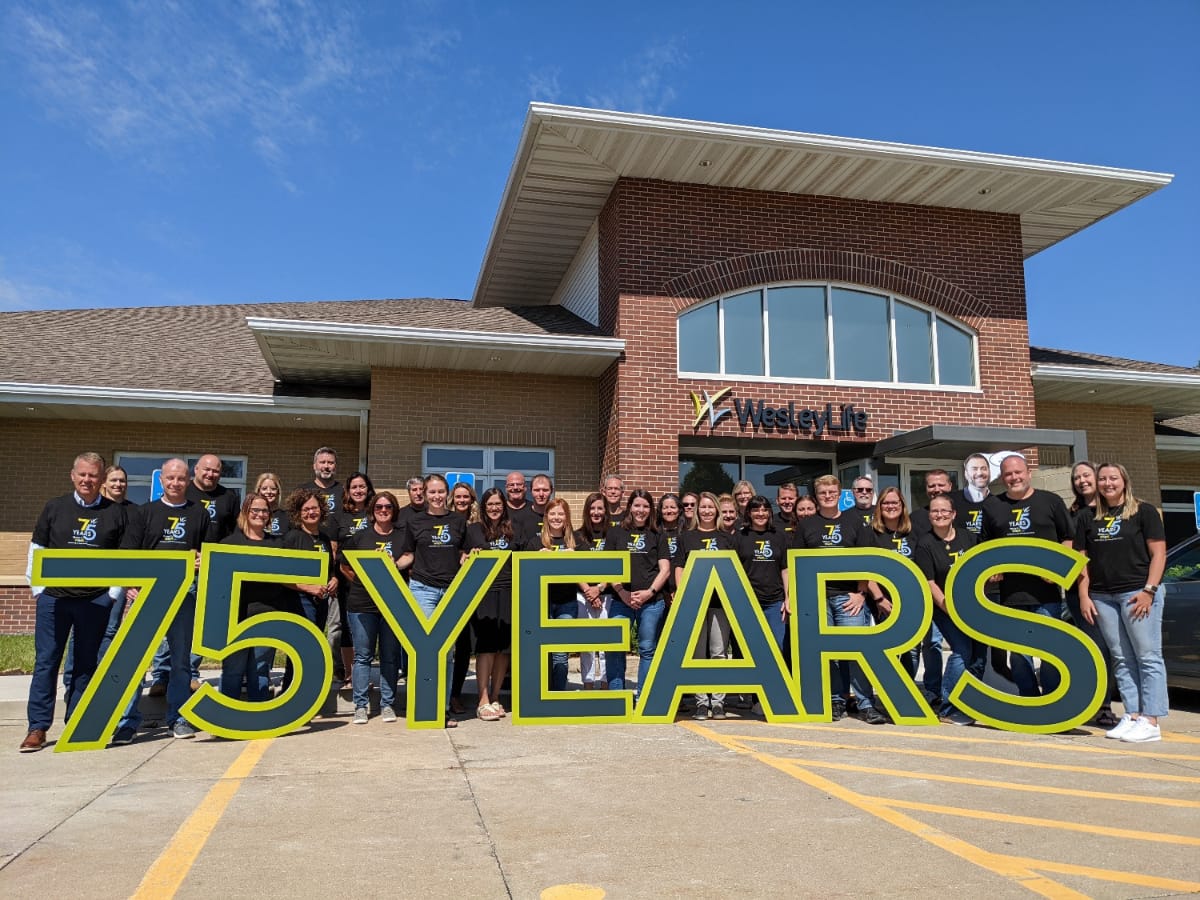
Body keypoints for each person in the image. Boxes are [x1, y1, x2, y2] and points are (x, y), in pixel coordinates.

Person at [21, 452, 128, 752]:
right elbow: (37, 548)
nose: (87, 480)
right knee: (46, 663)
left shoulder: (115, 513)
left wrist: (112, 595)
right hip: (54, 600)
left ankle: (77, 722)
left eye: (93, 475)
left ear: (101, 479)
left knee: (85, 664)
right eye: (82, 474)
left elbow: (123, 557)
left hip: (94, 600)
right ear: (72, 476)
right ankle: (37, 727)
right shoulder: (55, 508)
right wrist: (38, 590)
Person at [113, 458, 212, 742]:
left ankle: (179, 718)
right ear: (162, 480)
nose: (176, 483)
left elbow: (208, 554)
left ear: (188, 479)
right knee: (136, 658)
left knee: (181, 661)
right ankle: (127, 721)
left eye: (181, 478)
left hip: (185, 594)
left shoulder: (199, 514)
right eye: (170, 478)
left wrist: (202, 561)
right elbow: (128, 554)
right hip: (149, 594)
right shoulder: (144, 513)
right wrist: (130, 585)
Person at [1076, 463, 1168, 743]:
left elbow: (1159, 554)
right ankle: (1132, 714)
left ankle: (1151, 720)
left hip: (1137, 593)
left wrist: (1149, 591)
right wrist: (1083, 595)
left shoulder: (1144, 512)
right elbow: (1081, 562)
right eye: (1102, 479)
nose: (1107, 483)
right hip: (1103, 597)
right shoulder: (1086, 516)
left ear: (1124, 481)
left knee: (1148, 656)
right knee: (1121, 658)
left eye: (1113, 478)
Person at [982, 453, 1074, 697]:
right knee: (1019, 654)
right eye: (1008, 474)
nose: (1014, 477)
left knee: (1050, 650)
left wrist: (1059, 570)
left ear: (1028, 473)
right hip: (1012, 595)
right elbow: (984, 547)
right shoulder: (992, 506)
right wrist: (992, 570)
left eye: (1018, 472)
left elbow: (1068, 538)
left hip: (1047, 594)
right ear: (1002, 478)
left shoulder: (1051, 501)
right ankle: (1029, 700)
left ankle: (1053, 699)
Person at [796, 474, 885, 723]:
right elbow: (795, 565)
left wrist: (861, 593)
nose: (827, 496)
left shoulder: (855, 522)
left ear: (839, 494)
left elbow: (866, 562)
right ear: (816, 496)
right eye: (823, 493)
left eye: (832, 493)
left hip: (849, 598)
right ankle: (836, 700)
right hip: (817, 598)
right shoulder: (806, 526)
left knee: (856, 651)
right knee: (830, 654)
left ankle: (866, 703)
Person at [397, 474, 468, 727]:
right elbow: (408, 555)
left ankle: (443, 707)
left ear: (446, 493)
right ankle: (422, 703)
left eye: (440, 492)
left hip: (451, 590)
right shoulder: (415, 521)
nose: (436, 497)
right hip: (423, 589)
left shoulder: (459, 521)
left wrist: (467, 557)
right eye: (432, 492)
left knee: (447, 652)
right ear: (424, 494)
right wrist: (389, 566)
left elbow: (463, 553)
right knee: (424, 650)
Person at [915, 494, 982, 725]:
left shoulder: (968, 537)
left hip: (972, 607)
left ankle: (969, 703)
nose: (939, 514)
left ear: (953, 514)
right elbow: (929, 582)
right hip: (944, 608)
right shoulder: (925, 543)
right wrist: (947, 607)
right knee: (962, 651)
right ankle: (947, 707)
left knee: (978, 655)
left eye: (944, 510)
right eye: (934, 511)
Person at [340, 491, 404, 724]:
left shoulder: (401, 536)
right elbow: (344, 564)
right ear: (372, 511)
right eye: (379, 507)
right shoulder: (360, 537)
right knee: (363, 656)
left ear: (394, 509)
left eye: (388, 507)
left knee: (389, 656)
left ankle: (387, 704)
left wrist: (395, 564)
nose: (384, 510)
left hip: (391, 604)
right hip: (361, 604)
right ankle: (360, 706)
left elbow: (410, 555)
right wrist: (360, 579)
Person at [1063, 461, 1119, 728]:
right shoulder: (1073, 512)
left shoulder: (1115, 509)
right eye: (1077, 477)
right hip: (1078, 592)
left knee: (1108, 648)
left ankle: (1105, 705)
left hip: (1110, 588)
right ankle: (1097, 705)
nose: (1082, 481)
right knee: (1094, 646)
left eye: (1086, 475)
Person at [218, 493, 287, 704]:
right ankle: (227, 715)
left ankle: (259, 715)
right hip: (235, 616)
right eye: (255, 510)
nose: (260, 514)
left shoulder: (278, 544)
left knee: (261, 668)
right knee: (233, 668)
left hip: (266, 614)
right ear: (245, 512)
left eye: (264, 510)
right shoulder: (229, 543)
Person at [604, 489, 671, 699]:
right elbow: (609, 567)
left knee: (647, 649)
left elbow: (665, 569)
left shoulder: (658, 533)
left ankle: (645, 698)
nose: (640, 510)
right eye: (637, 505)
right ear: (630, 507)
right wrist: (622, 592)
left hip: (651, 602)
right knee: (615, 647)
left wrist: (649, 592)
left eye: (645, 506)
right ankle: (616, 696)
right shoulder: (616, 533)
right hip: (620, 600)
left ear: (650, 509)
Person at [677, 492, 736, 719]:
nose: (707, 511)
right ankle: (702, 702)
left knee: (719, 653)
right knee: (697, 654)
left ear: (717, 510)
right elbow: (679, 566)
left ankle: (719, 702)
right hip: (695, 602)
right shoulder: (687, 537)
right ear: (697, 510)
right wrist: (685, 595)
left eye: (711, 507)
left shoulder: (727, 538)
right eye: (703, 507)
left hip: (720, 603)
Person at [465, 488, 519, 719]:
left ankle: (496, 697)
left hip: (509, 591)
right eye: (490, 504)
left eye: (498, 504)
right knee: (486, 647)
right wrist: (469, 555)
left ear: (503, 506)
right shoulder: (474, 530)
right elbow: (464, 556)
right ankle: (482, 698)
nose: (494, 508)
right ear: (484, 507)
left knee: (504, 649)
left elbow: (525, 553)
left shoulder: (514, 530)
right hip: (485, 592)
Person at [737, 496, 791, 716]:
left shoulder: (779, 535)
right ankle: (757, 699)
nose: (760, 514)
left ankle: (778, 696)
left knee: (778, 649)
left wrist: (788, 597)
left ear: (769, 512)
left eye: (764, 510)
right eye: (755, 510)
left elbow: (785, 569)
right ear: (749, 513)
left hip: (774, 601)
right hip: (749, 602)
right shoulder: (740, 536)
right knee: (755, 652)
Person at [281, 489, 339, 692]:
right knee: (299, 649)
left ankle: (307, 694)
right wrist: (310, 588)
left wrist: (333, 580)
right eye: (305, 509)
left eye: (314, 508)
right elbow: (283, 576)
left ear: (321, 510)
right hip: (300, 601)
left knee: (313, 648)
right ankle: (290, 693)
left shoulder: (324, 538)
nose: (310, 513)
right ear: (299, 513)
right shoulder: (292, 538)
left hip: (321, 601)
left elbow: (330, 570)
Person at [524, 498, 578, 692]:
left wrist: (576, 557)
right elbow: (522, 571)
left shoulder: (575, 541)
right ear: (546, 517)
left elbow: (590, 569)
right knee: (539, 651)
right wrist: (537, 558)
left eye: (561, 514)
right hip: (541, 602)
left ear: (567, 517)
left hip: (567, 602)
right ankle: (540, 692)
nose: (557, 518)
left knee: (560, 653)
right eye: (553, 514)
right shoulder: (535, 541)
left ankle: (557, 694)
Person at [328, 472, 374, 685]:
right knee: (346, 626)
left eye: (362, 486)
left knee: (368, 625)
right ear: (348, 491)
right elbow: (334, 549)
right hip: (347, 579)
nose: (358, 491)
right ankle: (349, 672)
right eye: (354, 487)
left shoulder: (375, 513)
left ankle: (363, 670)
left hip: (374, 579)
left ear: (368, 489)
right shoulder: (339, 516)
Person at [575, 492, 613, 689]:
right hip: (583, 596)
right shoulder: (577, 535)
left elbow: (618, 564)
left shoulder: (614, 534)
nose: (596, 512)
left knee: (606, 643)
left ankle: (606, 684)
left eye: (600, 508)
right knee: (587, 644)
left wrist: (600, 587)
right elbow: (573, 567)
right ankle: (588, 684)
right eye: (592, 508)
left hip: (608, 595)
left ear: (605, 511)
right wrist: (588, 590)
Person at [449, 481, 480, 713]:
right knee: (449, 645)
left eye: (465, 497)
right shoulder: (446, 522)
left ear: (471, 499)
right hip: (450, 587)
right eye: (458, 497)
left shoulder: (478, 525)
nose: (461, 501)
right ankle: (448, 695)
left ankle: (456, 694)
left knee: (464, 647)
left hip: (474, 591)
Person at [188, 454, 239, 540]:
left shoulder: (229, 497)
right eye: (206, 469)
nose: (210, 474)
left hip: (217, 552)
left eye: (215, 471)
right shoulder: (182, 492)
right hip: (187, 552)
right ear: (196, 469)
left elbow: (237, 530)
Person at [297, 446, 342, 524]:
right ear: (314, 466)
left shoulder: (344, 491)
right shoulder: (302, 491)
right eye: (322, 462)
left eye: (330, 463)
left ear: (336, 466)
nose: (326, 466)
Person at [657, 493, 683, 602]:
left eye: (673, 507)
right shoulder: (655, 532)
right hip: (658, 592)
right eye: (665, 507)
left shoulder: (686, 532)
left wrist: (679, 589)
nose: (669, 511)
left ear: (679, 510)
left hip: (681, 587)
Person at [254, 473, 287, 537]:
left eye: (273, 489)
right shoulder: (251, 515)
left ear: (278, 492)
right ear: (258, 491)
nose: (269, 492)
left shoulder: (287, 517)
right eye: (264, 488)